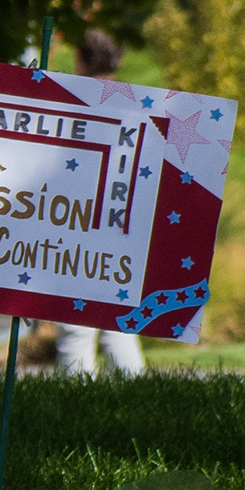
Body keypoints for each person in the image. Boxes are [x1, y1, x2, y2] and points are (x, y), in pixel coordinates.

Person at [51, 26, 146, 379]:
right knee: (117, 322)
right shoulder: (138, 104)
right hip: (121, 229)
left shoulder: (75, 102)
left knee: (75, 328)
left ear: (80, 58)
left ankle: (75, 403)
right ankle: (138, 393)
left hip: (78, 224)